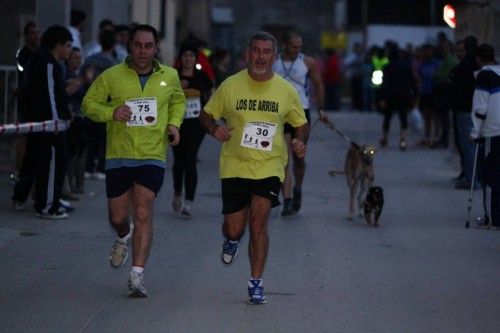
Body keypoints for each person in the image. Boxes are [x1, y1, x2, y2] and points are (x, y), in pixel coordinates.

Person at [199, 31, 308, 304]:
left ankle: (256, 282)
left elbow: (301, 122)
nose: (260, 56)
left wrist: (298, 140)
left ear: (274, 56)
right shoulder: (230, 85)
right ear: (248, 53)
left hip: (269, 166)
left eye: (266, 52)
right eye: (256, 51)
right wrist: (214, 129)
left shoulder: (285, 90)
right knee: (235, 227)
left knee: (259, 223)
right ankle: (231, 239)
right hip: (235, 165)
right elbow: (206, 114)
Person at [82, 24, 185, 297]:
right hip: (119, 154)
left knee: (142, 210)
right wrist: (111, 113)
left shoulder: (169, 76)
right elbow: (88, 104)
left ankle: (137, 275)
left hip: (152, 155)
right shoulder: (112, 75)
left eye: (148, 46)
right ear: (130, 46)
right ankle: (122, 235)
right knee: (117, 216)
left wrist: (174, 125)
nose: (143, 51)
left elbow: (178, 103)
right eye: (138, 45)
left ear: (156, 48)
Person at [12, 25, 73, 219]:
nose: (70, 50)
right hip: (48, 126)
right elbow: (50, 95)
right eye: (68, 46)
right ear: (59, 46)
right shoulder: (47, 63)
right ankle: (47, 206)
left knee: (33, 160)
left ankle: (31, 198)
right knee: (53, 163)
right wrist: (56, 122)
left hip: (42, 123)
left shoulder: (47, 61)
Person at [272, 30, 328, 216]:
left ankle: (298, 188)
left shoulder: (307, 62)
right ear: (285, 45)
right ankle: (287, 200)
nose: (297, 50)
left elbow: (318, 84)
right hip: (280, 113)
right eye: (294, 47)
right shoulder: (274, 61)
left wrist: (320, 108)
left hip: (301, 113)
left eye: (300, 47)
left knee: (299, 157)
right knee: (283, 157)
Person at [171, 43, 213, 218]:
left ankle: (189, 202)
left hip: (196, 124)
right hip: (177, 123)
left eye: (191, 55)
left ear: (196, 59)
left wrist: (192, 85)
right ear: (181, 58)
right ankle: (178, 192)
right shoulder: (172, 76)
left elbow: (209, 91)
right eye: (185, 55)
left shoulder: (202, 76)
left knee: (190, 160)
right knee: (179, 161)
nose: (188, 58)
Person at [81, 29, 119, 181]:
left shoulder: (89, 60)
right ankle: (100, 168)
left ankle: (88, 167)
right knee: (104, 139)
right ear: (114, 44)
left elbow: (83, 79)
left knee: (91, 139)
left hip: (90, 103)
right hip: (107, 106)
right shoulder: (114, 64)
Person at [10, 21, 41, 210]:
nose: (36, 36)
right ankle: (18, 172)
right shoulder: (23, 54)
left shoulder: (40, 54)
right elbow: (25, 77)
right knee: (25, 141)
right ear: (26, 35)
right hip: (26, 104)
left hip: (35, 104)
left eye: (38, 32)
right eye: (32, 33)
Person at [470, 44, 500, 229]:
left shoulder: (484, 75)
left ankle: (492, 218)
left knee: (490, 176)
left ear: (479, 59)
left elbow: (480, 107)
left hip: (493, 131)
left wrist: (475, 132)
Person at [449, 36, 480, 190]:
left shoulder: (463, 67)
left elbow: (456, 88)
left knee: (467, 145)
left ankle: (471, 179)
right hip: (478, 109)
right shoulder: (480, 65)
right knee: (475, 145)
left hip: (464, 109)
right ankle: (473, 176)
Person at [378, 44, 417, 150]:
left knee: (388, 117)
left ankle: (385, 138)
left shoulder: (387, 67)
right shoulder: (405, 66)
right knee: (403, 116)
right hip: (403, 94)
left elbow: (384, 83)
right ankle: (403, 140)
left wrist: (382, 98)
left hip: (390, 95)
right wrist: (415, 94)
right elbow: (412, 81)